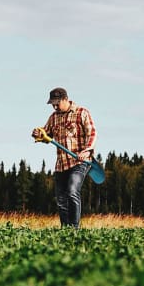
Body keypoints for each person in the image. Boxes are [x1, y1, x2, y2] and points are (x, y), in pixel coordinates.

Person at [32, 87, 97, 228]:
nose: (54, 106)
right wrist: (38, 134)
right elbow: (46, 135)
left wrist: (86, 151)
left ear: (65, 99)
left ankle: (74, 229)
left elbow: (91, 133)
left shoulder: (81, 113)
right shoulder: (53, 117)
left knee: (72, 191)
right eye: (52, 104)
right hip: (61, 164)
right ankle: (65, 230)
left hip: (79, 161)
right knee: (61, 200)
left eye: (57, 103)